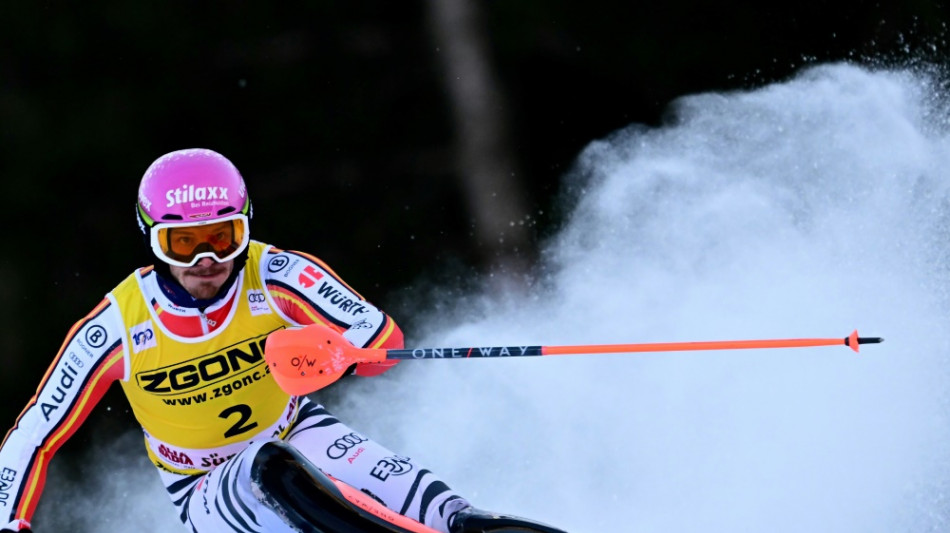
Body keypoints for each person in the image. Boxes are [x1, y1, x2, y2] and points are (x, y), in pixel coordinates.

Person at [0, 149, 565, 533]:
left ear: (244, 225)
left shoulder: (274, 274)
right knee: (268, 469)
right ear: (153, 239)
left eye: (223, 238)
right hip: (204, 485)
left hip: (299, 427)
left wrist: (341, 354)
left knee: (424, 497)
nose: (207, 261)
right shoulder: (118, 326)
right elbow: (32, 438)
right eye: (183, 243)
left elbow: (381, 338)